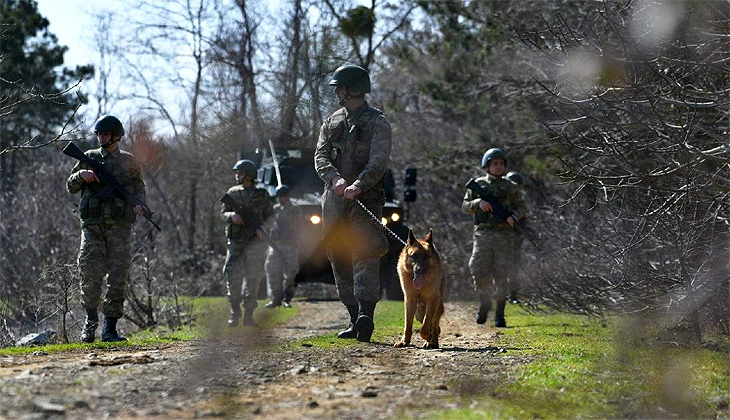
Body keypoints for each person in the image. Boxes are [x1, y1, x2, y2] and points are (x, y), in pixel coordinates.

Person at [314, 64, 392, 342]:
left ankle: (366, 316)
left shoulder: (378, 122)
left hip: (366, 200)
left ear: (351, 90)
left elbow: (378, 161)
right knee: (338, 256)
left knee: (364, 252)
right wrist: (335, 180)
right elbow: (320, 156)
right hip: (334, 202)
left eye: (340, 88)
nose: (337, 92)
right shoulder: (331, 121)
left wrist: (359, 185)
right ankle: (352, 318)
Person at [67, 115, 145, 343]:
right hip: (92, 228)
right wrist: (81, 175)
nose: (101, 137)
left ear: (116, 136)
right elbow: (70, 186)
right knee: (90, 275)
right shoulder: (88, 158)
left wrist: (140, 205)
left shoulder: (130, 162)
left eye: (106, 134)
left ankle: (110, 329)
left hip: (120, 228)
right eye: (99, 134)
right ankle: (90, 325)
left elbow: (139, 189)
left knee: (118, 277)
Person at [462, 148, 527, 328]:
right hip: (482, 234)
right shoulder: (478, 184)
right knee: (478, 269)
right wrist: (478, 203)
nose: (498, 167)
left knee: (501, 275)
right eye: (494, 164)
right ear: (487, 166)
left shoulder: (510, 187)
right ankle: (484, 302)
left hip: (504, 235)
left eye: (501, 164)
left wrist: (513, 216)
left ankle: (500, 314)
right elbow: (465, 206)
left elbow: (523, 207)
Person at [220, 159, 273, 327]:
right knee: (232, 277)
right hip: (235, 242)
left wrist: (263, 228)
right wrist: (231, 217)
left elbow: (271, 217)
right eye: (237, 173)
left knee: (254, 279)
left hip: (255, 244)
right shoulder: (233, 193)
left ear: (248, 176)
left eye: (240, 173)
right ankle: (235, 312)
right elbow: (222, 214)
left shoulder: (262, 195)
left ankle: (249, 315)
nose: (237, 176)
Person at [264, 185, 303, 308]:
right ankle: (276, 298)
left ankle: (287, 298)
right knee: (271, 269)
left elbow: (298, 226)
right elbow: (268, 223)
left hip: (290, 245)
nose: (280, 199)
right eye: (278, 197)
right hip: (275, 244)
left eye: (282, 196)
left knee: (290, 273)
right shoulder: (275, 209)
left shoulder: (295, 210)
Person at [504, 171, 526, 304]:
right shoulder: (503, 200)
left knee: (514, 268)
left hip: (515, 239)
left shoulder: (519, 202)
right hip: (500, 238)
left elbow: (524, 218)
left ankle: (513, 295)